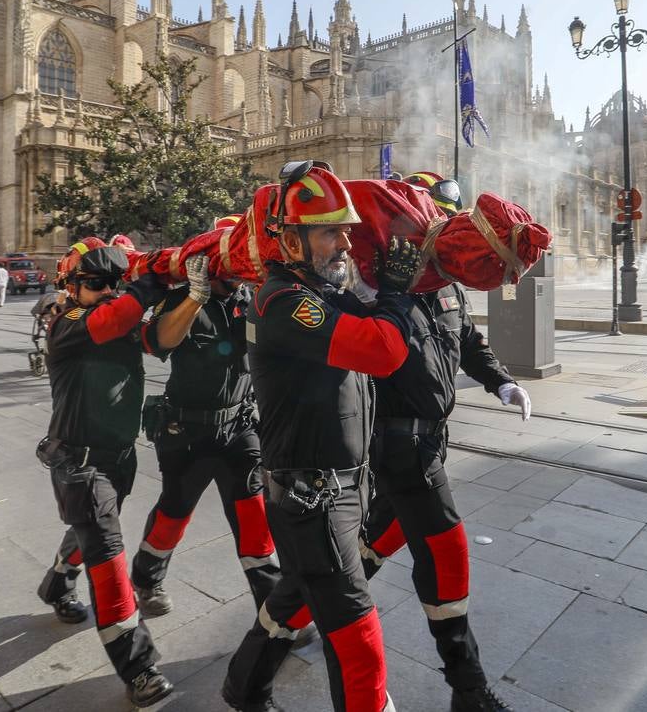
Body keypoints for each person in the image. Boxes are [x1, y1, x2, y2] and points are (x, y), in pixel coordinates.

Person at [224, 161, 416, 712]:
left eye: (347, 230)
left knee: (293, 597)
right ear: (289, 238)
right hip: (314, 497)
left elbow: (377, 322)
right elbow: (382, 350)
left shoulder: (319, 288)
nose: (345, 242)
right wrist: (399, 295)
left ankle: (243, 685)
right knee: (355, 637)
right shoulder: (284, 302)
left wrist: (396, 286)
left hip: (339, 485)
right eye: (330, 230)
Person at [358, 175, 524, 712]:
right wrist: (390, 290)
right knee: (445, 550)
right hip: (397, 442)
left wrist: (501, 380)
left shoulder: (448, 285)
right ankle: (468, 692)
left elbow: (469, 339)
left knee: (378, 539)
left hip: (433, 436)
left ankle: (290, 616)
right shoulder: (377, 282)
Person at [34, 237, 174, 707]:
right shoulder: (68, 322)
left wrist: (191, 294)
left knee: (87, 532)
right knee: (109, 557)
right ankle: (139, 668)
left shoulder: (117, 316)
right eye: (95, 283)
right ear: (70, 287)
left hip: (117, 455)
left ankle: (56, 582)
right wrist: (146, 286)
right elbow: (116, 317)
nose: (108, 291)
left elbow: (159, 340)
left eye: (115, 283)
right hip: (80, 461)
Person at [130, 250, 281, 621]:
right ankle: (147, 578)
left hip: (240, 428)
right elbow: (158, 342)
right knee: (174, 514)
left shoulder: (253, 299)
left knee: (254, 517)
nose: (245, 272)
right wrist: (196, 298)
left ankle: (273, 604)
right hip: (188, 432)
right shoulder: (182, 299)